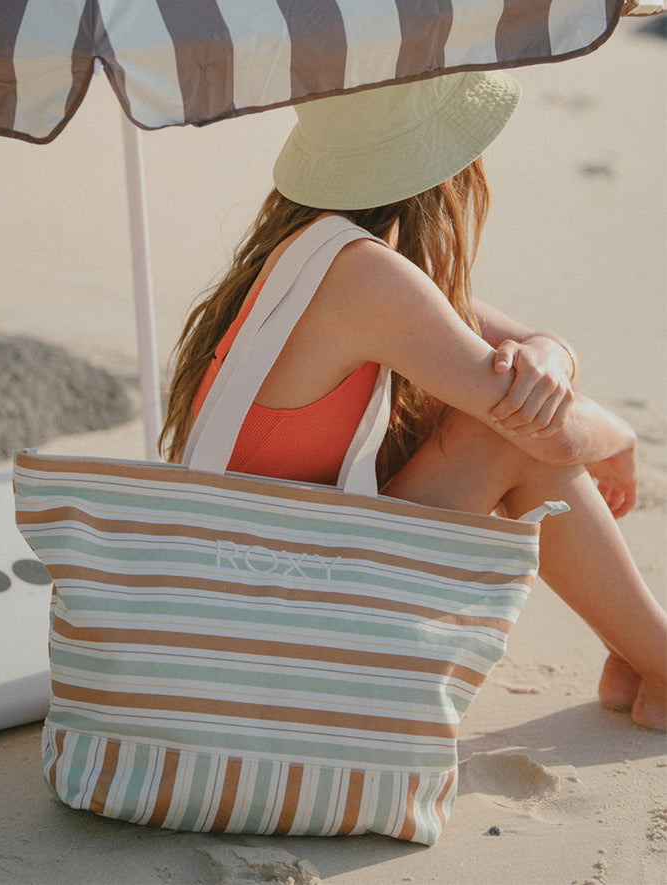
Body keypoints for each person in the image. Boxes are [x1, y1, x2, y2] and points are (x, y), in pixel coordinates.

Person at [159, 70, 666, 730]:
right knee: (501, 431)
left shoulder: (315, 258)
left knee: (504, 411)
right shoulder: (366, 279)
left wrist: (549, 353)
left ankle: (644, 652)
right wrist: (620, 436)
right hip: (282, 650)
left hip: (260, 609)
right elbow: (555, 436)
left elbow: (530, 348)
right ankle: (657, 654)